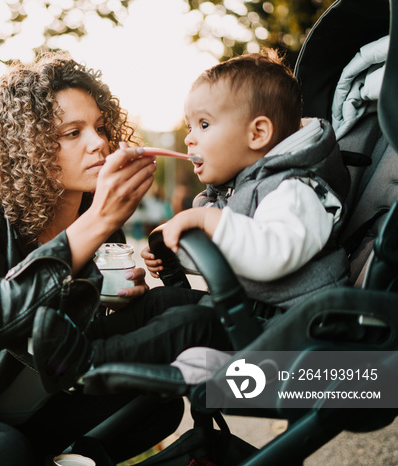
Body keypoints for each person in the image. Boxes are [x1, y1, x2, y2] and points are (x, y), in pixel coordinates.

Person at [0, 52, 183, 466]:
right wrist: (98, 220)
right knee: (0, 450)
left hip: (43, 410)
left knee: (162, 398)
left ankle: (70, 459)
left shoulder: (94, 216)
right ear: (29, 148)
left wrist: (120, 301)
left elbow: (81, 339)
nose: (98, 143)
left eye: (99, 127)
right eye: (72, 133)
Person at [32, 49, 350, 391]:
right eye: (189, 126)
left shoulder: (295, 191)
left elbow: (272, 255)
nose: (189, 138)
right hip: (255, 315)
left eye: (204, 124)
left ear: (257, 134)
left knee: (188, 323)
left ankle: (86, 362)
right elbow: (235, 250)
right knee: (159, 301)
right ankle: (77, 342)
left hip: (291, 336)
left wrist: (207, 222)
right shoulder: (239, 190)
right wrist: (175, 257)